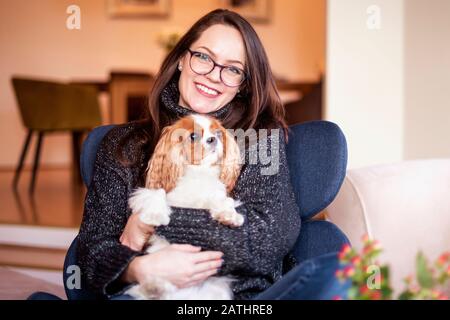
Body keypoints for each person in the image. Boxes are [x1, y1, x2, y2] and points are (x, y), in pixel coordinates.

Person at [77, 9, 349, 300]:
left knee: (336, 272)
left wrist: (148, 222)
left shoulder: (259, 139)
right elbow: (91, 255)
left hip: (240, 300)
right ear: (182, 58)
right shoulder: (124, 143)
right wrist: (140, 269)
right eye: (204, 57)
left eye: (232, 69)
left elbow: (267, 240)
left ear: (243, 83)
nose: (214, 76)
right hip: (146, 295)